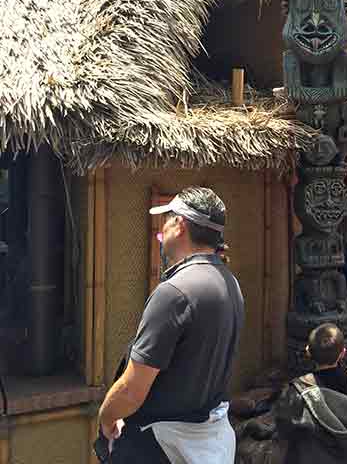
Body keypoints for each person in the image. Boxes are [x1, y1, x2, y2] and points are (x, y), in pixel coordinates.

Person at [97, 187, 244, 463]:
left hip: (163, 446)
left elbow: (131, 389)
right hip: (209, 442)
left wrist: (107, 416)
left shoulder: (175, 292)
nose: (161, 232)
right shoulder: (229, 282)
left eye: (166, 221)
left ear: (180, 225)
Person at [274, 324, 347, 464]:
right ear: (343, 353)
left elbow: (286, 424)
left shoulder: (301, 386)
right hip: (343, 449)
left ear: (308, 351)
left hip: (313, 453)